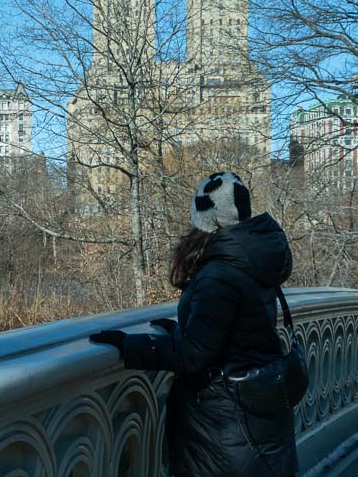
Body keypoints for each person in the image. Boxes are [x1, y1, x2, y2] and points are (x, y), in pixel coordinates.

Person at [90, 172, 298, 476]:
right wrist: (179, 330)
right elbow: (237, 336)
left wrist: (129, 345)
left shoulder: (219, 275)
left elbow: (192, 356)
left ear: (206, 217)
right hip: (256, 418)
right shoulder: (252, 262)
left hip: (225, 425)